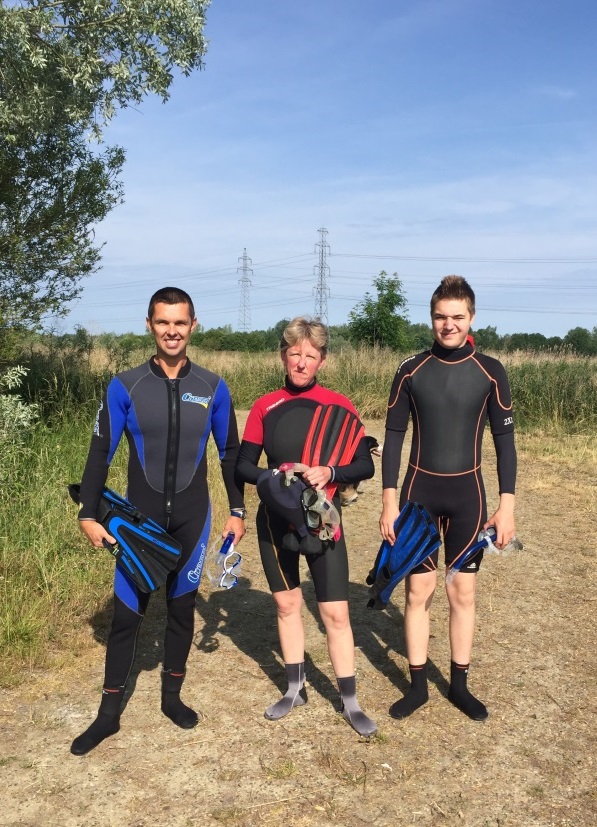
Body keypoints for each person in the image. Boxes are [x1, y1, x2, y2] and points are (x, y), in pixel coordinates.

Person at [71, 286, 246, 755]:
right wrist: (88, 514)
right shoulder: (125, 385)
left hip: (193, 518)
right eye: (163, 322)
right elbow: (99, 453)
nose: (172, 330)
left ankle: (172, 698)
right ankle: (108, 716)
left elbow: (229, 453)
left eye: (180, 322)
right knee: (127, 616)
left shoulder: (213, 387)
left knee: (182, 611)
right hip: (139, 523)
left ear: (193, 325)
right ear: (149, 325)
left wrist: (236, 510)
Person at [379, 275, 516, 721]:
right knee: (418, 591)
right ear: (431, 317)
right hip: (418, 495)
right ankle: (418, 686)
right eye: (441, 316)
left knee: (463, 592)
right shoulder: (411, 369)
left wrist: (507, 505)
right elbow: (395, 437)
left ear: (471, 317)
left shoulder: (491, 371)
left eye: (457, 317)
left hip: (468, 498)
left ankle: (459, 685)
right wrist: (388, 502)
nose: (449, 325)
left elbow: (505, 443)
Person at [235, 317, 377, 737]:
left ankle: (349, 699)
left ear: (322, 360)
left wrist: (328, 470)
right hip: (275, 516)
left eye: (310, 356)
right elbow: (242, 465)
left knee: (334, 612)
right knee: (286, 605)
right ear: (283, 354)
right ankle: (294, 686)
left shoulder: (339, 405)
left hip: (322, 520)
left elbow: (365, 464)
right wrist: (273, 476)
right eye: (294, 353)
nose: (301, 363)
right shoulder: (265, 406)